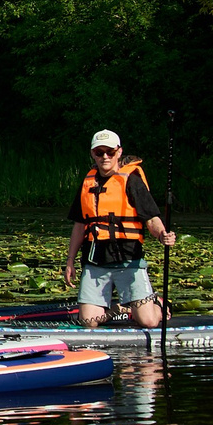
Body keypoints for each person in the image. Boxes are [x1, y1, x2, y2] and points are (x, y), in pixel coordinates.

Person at [67, 129, 178, 329]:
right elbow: (79, 225)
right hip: (95, 262)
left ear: (119, 152)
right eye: (99, 152)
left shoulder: (132, 181)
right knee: (88, 323)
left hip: (129, 261)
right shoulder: (88, 183)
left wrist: (162, 235)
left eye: (109, 151)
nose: (105, 157)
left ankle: (158, 304)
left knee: (149, 322)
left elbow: (152, 219)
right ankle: (120, 309)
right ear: (93, 154)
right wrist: (70, 261)